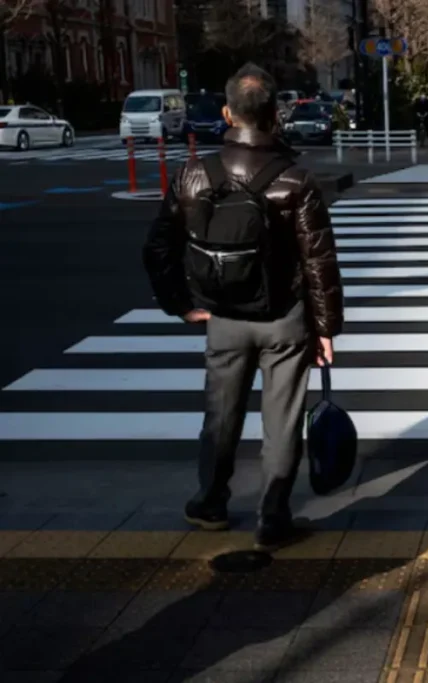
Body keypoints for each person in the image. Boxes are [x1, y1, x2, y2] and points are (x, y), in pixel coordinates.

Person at [142, 62, 343, 551]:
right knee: (282, 422)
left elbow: (157, 247)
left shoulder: (195, 174)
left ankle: (210, 502)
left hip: (224, 317)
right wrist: (325, 328)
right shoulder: (295, 180)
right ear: (274, 114)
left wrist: (182, 305)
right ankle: (273, 517)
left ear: (229, 112)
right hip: (284, 320)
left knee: (221, 413)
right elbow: (319, 261)